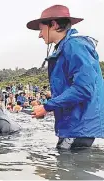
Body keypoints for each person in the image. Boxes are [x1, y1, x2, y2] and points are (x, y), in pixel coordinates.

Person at [27, 5, 104, 149]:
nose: (40, 35)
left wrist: (47, 107)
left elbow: (83, 89)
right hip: (74, 125)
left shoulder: (74, 46)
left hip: (79, 126)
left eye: (41, 29)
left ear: (54, 25)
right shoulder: (68, 47)